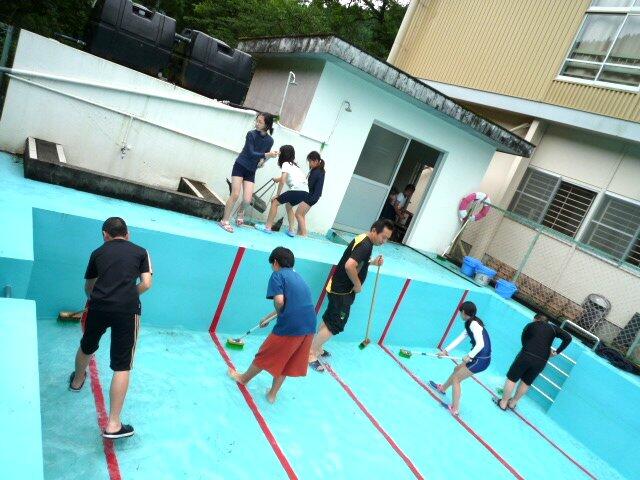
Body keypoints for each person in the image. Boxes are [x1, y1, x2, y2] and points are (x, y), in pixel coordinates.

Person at [69, 217, 152, 439]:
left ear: (105, 235)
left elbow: (89, 286)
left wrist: (97, 298)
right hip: (127, 311)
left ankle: (77, 381)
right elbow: (146, 283)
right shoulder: (141, 252)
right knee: (122, 365)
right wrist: (126, 295)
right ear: (128, 234)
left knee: (87, 345)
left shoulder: (97, 253)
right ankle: (114, 424)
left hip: (99, 307)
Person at [228, 247, 317, 403]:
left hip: (291, 326)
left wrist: (281, 314)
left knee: (265, 353)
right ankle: (272, 394)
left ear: (275, 262)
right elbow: (292, 304)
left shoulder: (278, 275)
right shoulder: (298, 278)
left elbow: (280, 302)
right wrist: (268, 318)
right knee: (286, 361)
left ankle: (243, 379)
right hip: (309, 326)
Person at [308, 219, 394, 372]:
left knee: (329, 319)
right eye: (383, 237)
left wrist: (372, 262)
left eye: (387, 238)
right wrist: (357, 284)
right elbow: (350, 265)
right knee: (335, 324)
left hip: (337, 287)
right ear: (374, 230)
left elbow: (358, 261)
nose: (384, 241)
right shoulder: (366, 245)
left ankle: (317, 347)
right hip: (343, 291)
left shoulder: (364, 239)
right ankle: (310, 353)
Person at [495, 313, 571, 411]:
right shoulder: (553, 328)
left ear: (536, 319)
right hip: (542, 360)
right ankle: (512, 403)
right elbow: (568, 338)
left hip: (527, 354)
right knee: (526, 382)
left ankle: (503, 403)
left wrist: (528, 347)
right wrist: (557, 352)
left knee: (512, 378)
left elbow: (524, 339)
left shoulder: (531, 325)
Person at [219, 112, 279, 233]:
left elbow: (262, 157)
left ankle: (240, 212)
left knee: (247, 200)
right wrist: (267, 154)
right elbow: (251, 153)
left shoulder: (270, 140)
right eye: (257, 121)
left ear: (267, 125)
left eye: (260, 122)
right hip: (240, 166)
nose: (257, 123)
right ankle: (224, 221)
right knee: (235, 194)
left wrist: (264, 160)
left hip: (251, 171)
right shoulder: (251, 134)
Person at [429, 301, 491, 416]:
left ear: (463, 312)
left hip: (481, 360)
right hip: (478, 357)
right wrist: (445, 351)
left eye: (460, 312)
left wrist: (470, 355)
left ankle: (455, 408)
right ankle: (443, 388)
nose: (459, 314)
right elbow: (460, 338)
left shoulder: (474, 324)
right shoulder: (470, 322)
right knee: (457, 369)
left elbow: (480, 345)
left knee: (456, 379)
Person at [255, 145, 308, 237]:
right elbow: (287, 178)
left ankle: (268, 227)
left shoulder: (285, 164)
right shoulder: (295, 166)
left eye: (280, 152)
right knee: (289, 206)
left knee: (275, 202)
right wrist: (277, 179)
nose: (279, 154)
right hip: (305, 192)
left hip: (296, 190)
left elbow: (283, 180)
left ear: (284, 154)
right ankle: (291, 231)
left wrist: (277, 194)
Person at [295, 151, 326, 237]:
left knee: (298, 214)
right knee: (301, 215)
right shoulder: (320, 170)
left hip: (311, 196)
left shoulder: (316, 172)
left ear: (316, 161)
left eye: (310, 161)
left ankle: (304, 234)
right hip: (314, 196)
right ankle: (299, 234)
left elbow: (309, 185)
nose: (309, 164)